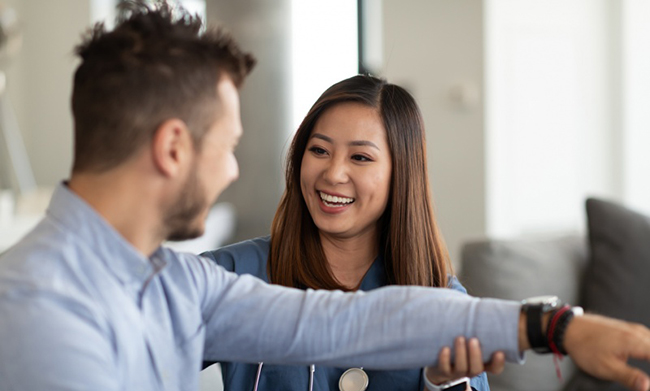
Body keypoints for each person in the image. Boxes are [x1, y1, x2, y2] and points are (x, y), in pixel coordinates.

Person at [0, 3, 650, 391]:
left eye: (361, 156)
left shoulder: (180, 284)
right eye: (227, 146)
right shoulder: (40, 312)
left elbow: (356, 321)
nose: (232, 171)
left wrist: (557, 326)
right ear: (174, 148)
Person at [202, 75, 495, 391]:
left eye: (360, 157)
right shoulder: (231, 274)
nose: (333, 173)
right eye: (319, 150)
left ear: (401, 174)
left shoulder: (443, 301)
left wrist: (442, 382)